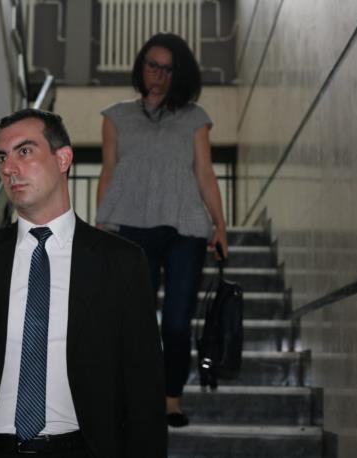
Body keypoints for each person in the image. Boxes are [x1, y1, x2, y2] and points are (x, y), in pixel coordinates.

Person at [0, 108, 167, 457]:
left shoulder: (121, 261)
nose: (8, 168)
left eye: (24, 151)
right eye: (2, 157)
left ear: (63, 159)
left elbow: (144, 386)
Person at [96, 33, 229, 428]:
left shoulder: (195, 118)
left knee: (176, 320)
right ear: (141, 67)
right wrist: (102, 224)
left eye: (168, 69)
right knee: (136, 322)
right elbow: (108, 171)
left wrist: (220, 225)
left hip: (185, 229)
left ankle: (172, 399)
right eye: (152, 65)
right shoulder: (115, 117)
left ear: (179, 74)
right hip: (131, 229)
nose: (158, 74)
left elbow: (205, 173)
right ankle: (136, 396)